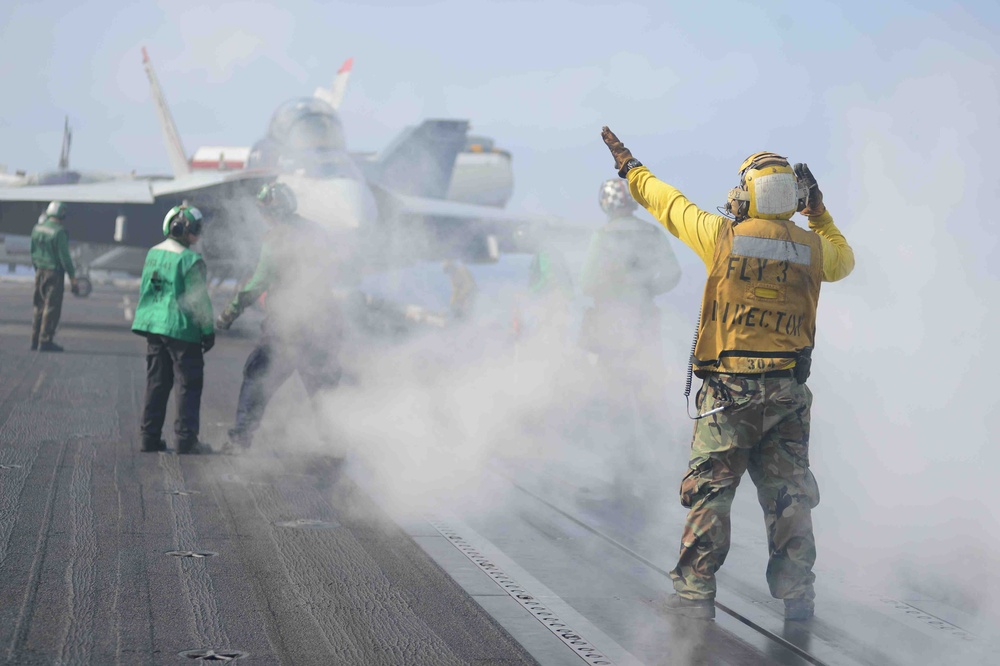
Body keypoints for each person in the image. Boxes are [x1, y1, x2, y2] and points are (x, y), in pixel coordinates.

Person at [601, 127, 855, 621]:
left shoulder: (721, 236)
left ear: (747, 194)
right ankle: (798, 594)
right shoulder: (814, 249)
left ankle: (695, 591)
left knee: (711, 493)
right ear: (794, 196)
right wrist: (818, 213)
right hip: (786, 393)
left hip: (727, 395)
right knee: (790, 497)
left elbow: (667, 203)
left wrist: (630, 167)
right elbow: (844, 260)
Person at [216, 182, 345, 455]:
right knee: (323, 387)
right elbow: (336, 266)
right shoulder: (317, 231)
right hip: (324, 323)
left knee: (257, 378)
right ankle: (336, 444)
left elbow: (258, 282)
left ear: (272, 212)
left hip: (288, 327)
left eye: (264, 210)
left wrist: (230, 311)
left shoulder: (275, 239)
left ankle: (240, 442)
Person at [577, 179, 682, 503]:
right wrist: (646, 289)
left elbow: (586, 283)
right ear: (632, 204)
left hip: (613, 328)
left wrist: (612, 291)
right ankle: (665, 473)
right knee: (649, 396)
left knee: (617, 402)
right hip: (645, 325)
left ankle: (622, 478)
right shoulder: (651, 235)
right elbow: (673, 274)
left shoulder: (603, 236)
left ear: (606, 205)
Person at [132, 205, 216, 454]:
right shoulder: (190, 260)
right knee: (188, 384)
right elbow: (198, 301)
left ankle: (149, 436)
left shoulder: (153, 252)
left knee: (157, 382)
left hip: (154, 325)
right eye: (197, 230)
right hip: (181, 329)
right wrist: (208, 330)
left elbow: (147, 288)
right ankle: (186, 439)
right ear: (187, 230)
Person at [30, 201, 79, 351]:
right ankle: (45, 340)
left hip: (40, 271)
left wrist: (37, 269)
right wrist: (72, 278)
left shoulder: (37, 229)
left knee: (38, 306)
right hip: (54, 274)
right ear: (61, 213)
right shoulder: (59, 232)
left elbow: (32, 252)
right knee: (51, 307)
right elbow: (65, 257)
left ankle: (34, 339)